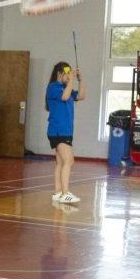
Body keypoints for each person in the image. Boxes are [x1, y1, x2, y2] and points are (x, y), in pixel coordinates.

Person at [46, 62, 85, 204]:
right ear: (59, 73)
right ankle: (65, 193)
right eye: (66, 73)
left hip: (65, 131)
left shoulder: (65, 88)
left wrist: (80, 80)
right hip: (58, 131)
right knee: (69, 161)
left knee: (61, 162)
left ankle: (57, 192)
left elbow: (81, 96)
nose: (69, 76)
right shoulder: (53, 87)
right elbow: (64, 97)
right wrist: (71, 81)